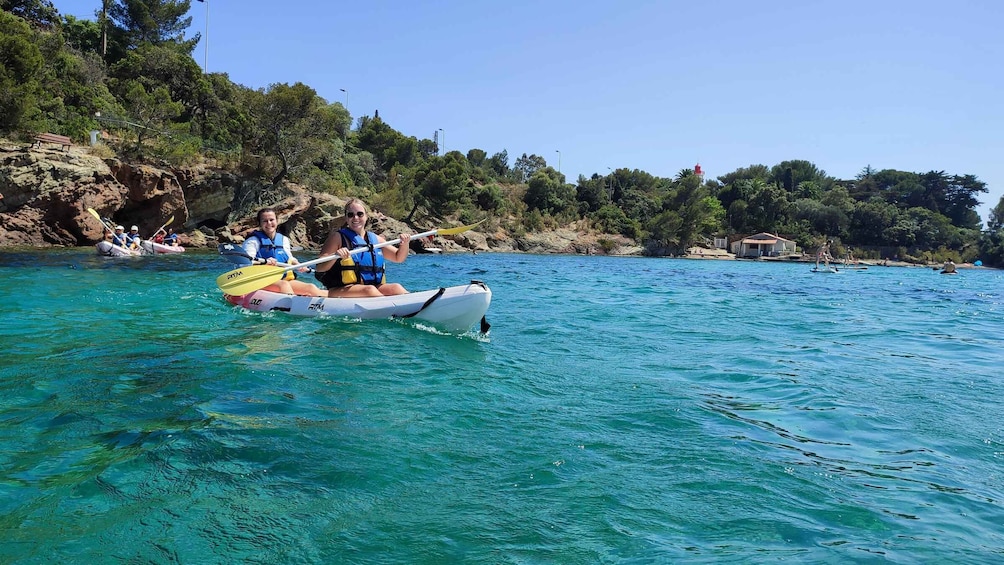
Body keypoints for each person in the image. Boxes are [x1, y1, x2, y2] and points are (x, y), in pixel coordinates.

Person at [314, 198, 411, 297]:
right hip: (340, 289)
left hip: (370, 287)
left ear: (366, 216)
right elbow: (319, 267)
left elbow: (398, 257)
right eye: (351, 215)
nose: (355, 218)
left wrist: (405, 243)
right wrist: (335, 255)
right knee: (369, 290)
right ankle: (390, 309)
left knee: (396, 288)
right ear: (346, 218)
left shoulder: (375, 239)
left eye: (360, 214)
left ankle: (414, 307)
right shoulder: (337, 237)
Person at [243, 207, 325, 296]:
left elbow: (289, 258)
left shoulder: (284, 240)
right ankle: (292, 305)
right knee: (284, 285)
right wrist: (264, 263)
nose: (269, 223)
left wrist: (298, 264)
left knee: (311, 287)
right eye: (265, 221)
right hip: (261, 280)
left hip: (283, 279)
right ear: (260, 224)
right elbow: (245, 263)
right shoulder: (252, 241)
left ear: (277, 221)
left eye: (271, 220)